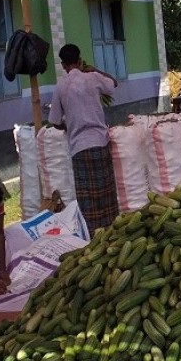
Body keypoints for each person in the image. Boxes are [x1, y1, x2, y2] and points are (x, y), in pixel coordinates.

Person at [49, 43, 119, 233]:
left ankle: (93, 238)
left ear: (63, 65)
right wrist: (95, 69)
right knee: (106, 193)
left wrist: (68, 126)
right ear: (80, 61)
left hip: (79, 147)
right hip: (100, 142)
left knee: (88, 199)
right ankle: (113, 232)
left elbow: (54, 121)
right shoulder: (93, 78)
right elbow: (114, 83)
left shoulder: (60, 87)